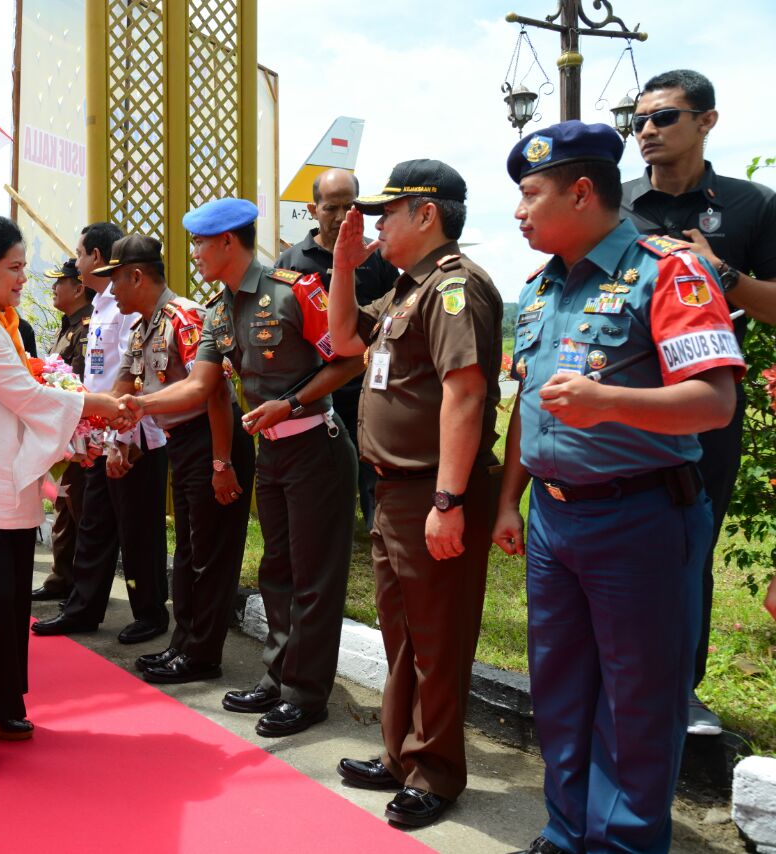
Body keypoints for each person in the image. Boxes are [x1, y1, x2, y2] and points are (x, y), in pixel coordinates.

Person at [494, 121, 745, 854]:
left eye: (529, 195)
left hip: (641, 518)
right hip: (554, 523)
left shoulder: (667, 271)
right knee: (562, 693)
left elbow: (714, 401)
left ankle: (626, 843)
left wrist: (610, 403)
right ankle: (567, 831)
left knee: (638, 703)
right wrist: (510, 499)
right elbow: (530, 408)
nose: (518, 212)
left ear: (580, 192)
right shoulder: (539, 291)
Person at [118, 198, 359, 737]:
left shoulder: (294, 290)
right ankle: (278, 677)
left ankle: (305, 693)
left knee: (314, 577)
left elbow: (349, 357)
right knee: (277, 571)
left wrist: (293, 403)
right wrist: (142, 405)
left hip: (315, 446)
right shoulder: (220, 310)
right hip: (271, 451)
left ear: (229, 241)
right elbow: (201, 384)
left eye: (201, 243)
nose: (195, 254)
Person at [323, 160, 502, 829]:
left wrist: (449, 501)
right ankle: (401, 755)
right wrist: (343, 268)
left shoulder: (455, 288)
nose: (373, 225)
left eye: (384, 213)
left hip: (433, 489)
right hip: (394, 489)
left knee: (438, 639)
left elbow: (466, 391)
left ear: (425, 214)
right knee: (403, 636)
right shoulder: (406, 290)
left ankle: (436, 771)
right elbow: (343, 340)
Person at [0, 215, 122, 772]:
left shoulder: (2, 319)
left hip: (4, 478)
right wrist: (94, 408)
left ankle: (4, 703)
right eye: (13, 269)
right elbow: (25, 394)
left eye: (22, 268)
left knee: (12, 600)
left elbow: (29, 393)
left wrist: (74, 424)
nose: (21, 279)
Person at [620, 69, 776, 736]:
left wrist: (726, 275)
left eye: (664, 118)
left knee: (690, 546)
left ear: (707, 121)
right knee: (613, 541)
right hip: (619, 402)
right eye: (639, 121)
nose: (647, 131)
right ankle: (612, 677)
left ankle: (680, 692)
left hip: (704, 406)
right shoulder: (613, 204)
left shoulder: (752, 206)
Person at [101, 234, 256, 684]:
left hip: (213, 439)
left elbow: (216, 393)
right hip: (183, 442)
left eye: (115, 280)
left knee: (210, 553)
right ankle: (184, 645)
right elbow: (122, 392)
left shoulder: (185, 317)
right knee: (189, 551)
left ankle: (202, 655)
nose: (111, 292)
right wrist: (78, 413)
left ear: (136, 275)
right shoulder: (143, 327)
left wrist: (222, 463)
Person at [32, 222, 171, 644]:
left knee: (138, 531)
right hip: (103, 437)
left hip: (133, 439)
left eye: (79, 253)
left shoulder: (128, 306)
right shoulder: (101, 305)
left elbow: (141, 378)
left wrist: (123, 440)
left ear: (96, 256)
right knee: (94, 527)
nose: (75, 262)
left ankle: (150, 614)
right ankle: (83, 609)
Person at [276, 167, 397, 530]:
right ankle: (330, 530)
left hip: (368, 384)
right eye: (331, 208)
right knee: (321, 467)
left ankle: (376, 529)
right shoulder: (291, 263)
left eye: (350, 206)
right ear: (313, 210)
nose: (341, 216)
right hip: (315, 388)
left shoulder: (376, 258)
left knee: (373, 464)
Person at [32, 258, 94, 601]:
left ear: (78, 287)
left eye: (60, 282)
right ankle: (62, 577)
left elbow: (81, 382)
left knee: (78, 506)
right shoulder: (68, 324)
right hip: (64, 432)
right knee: (64, 504)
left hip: (82, 432)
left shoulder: (86, 326)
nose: (54, 288)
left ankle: (81, 585)